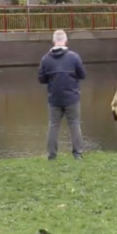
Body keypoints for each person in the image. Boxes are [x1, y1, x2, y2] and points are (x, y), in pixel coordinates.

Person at [38, 30, 87, 160]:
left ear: (54, 41)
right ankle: (77, 154)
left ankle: (52, 155)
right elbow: (82, 75)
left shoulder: (45, 59)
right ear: (65, 41)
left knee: (53, 125)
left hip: (54, 98)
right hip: (72, 97)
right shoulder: (74, 57)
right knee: (74, 124)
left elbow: (41, 79)